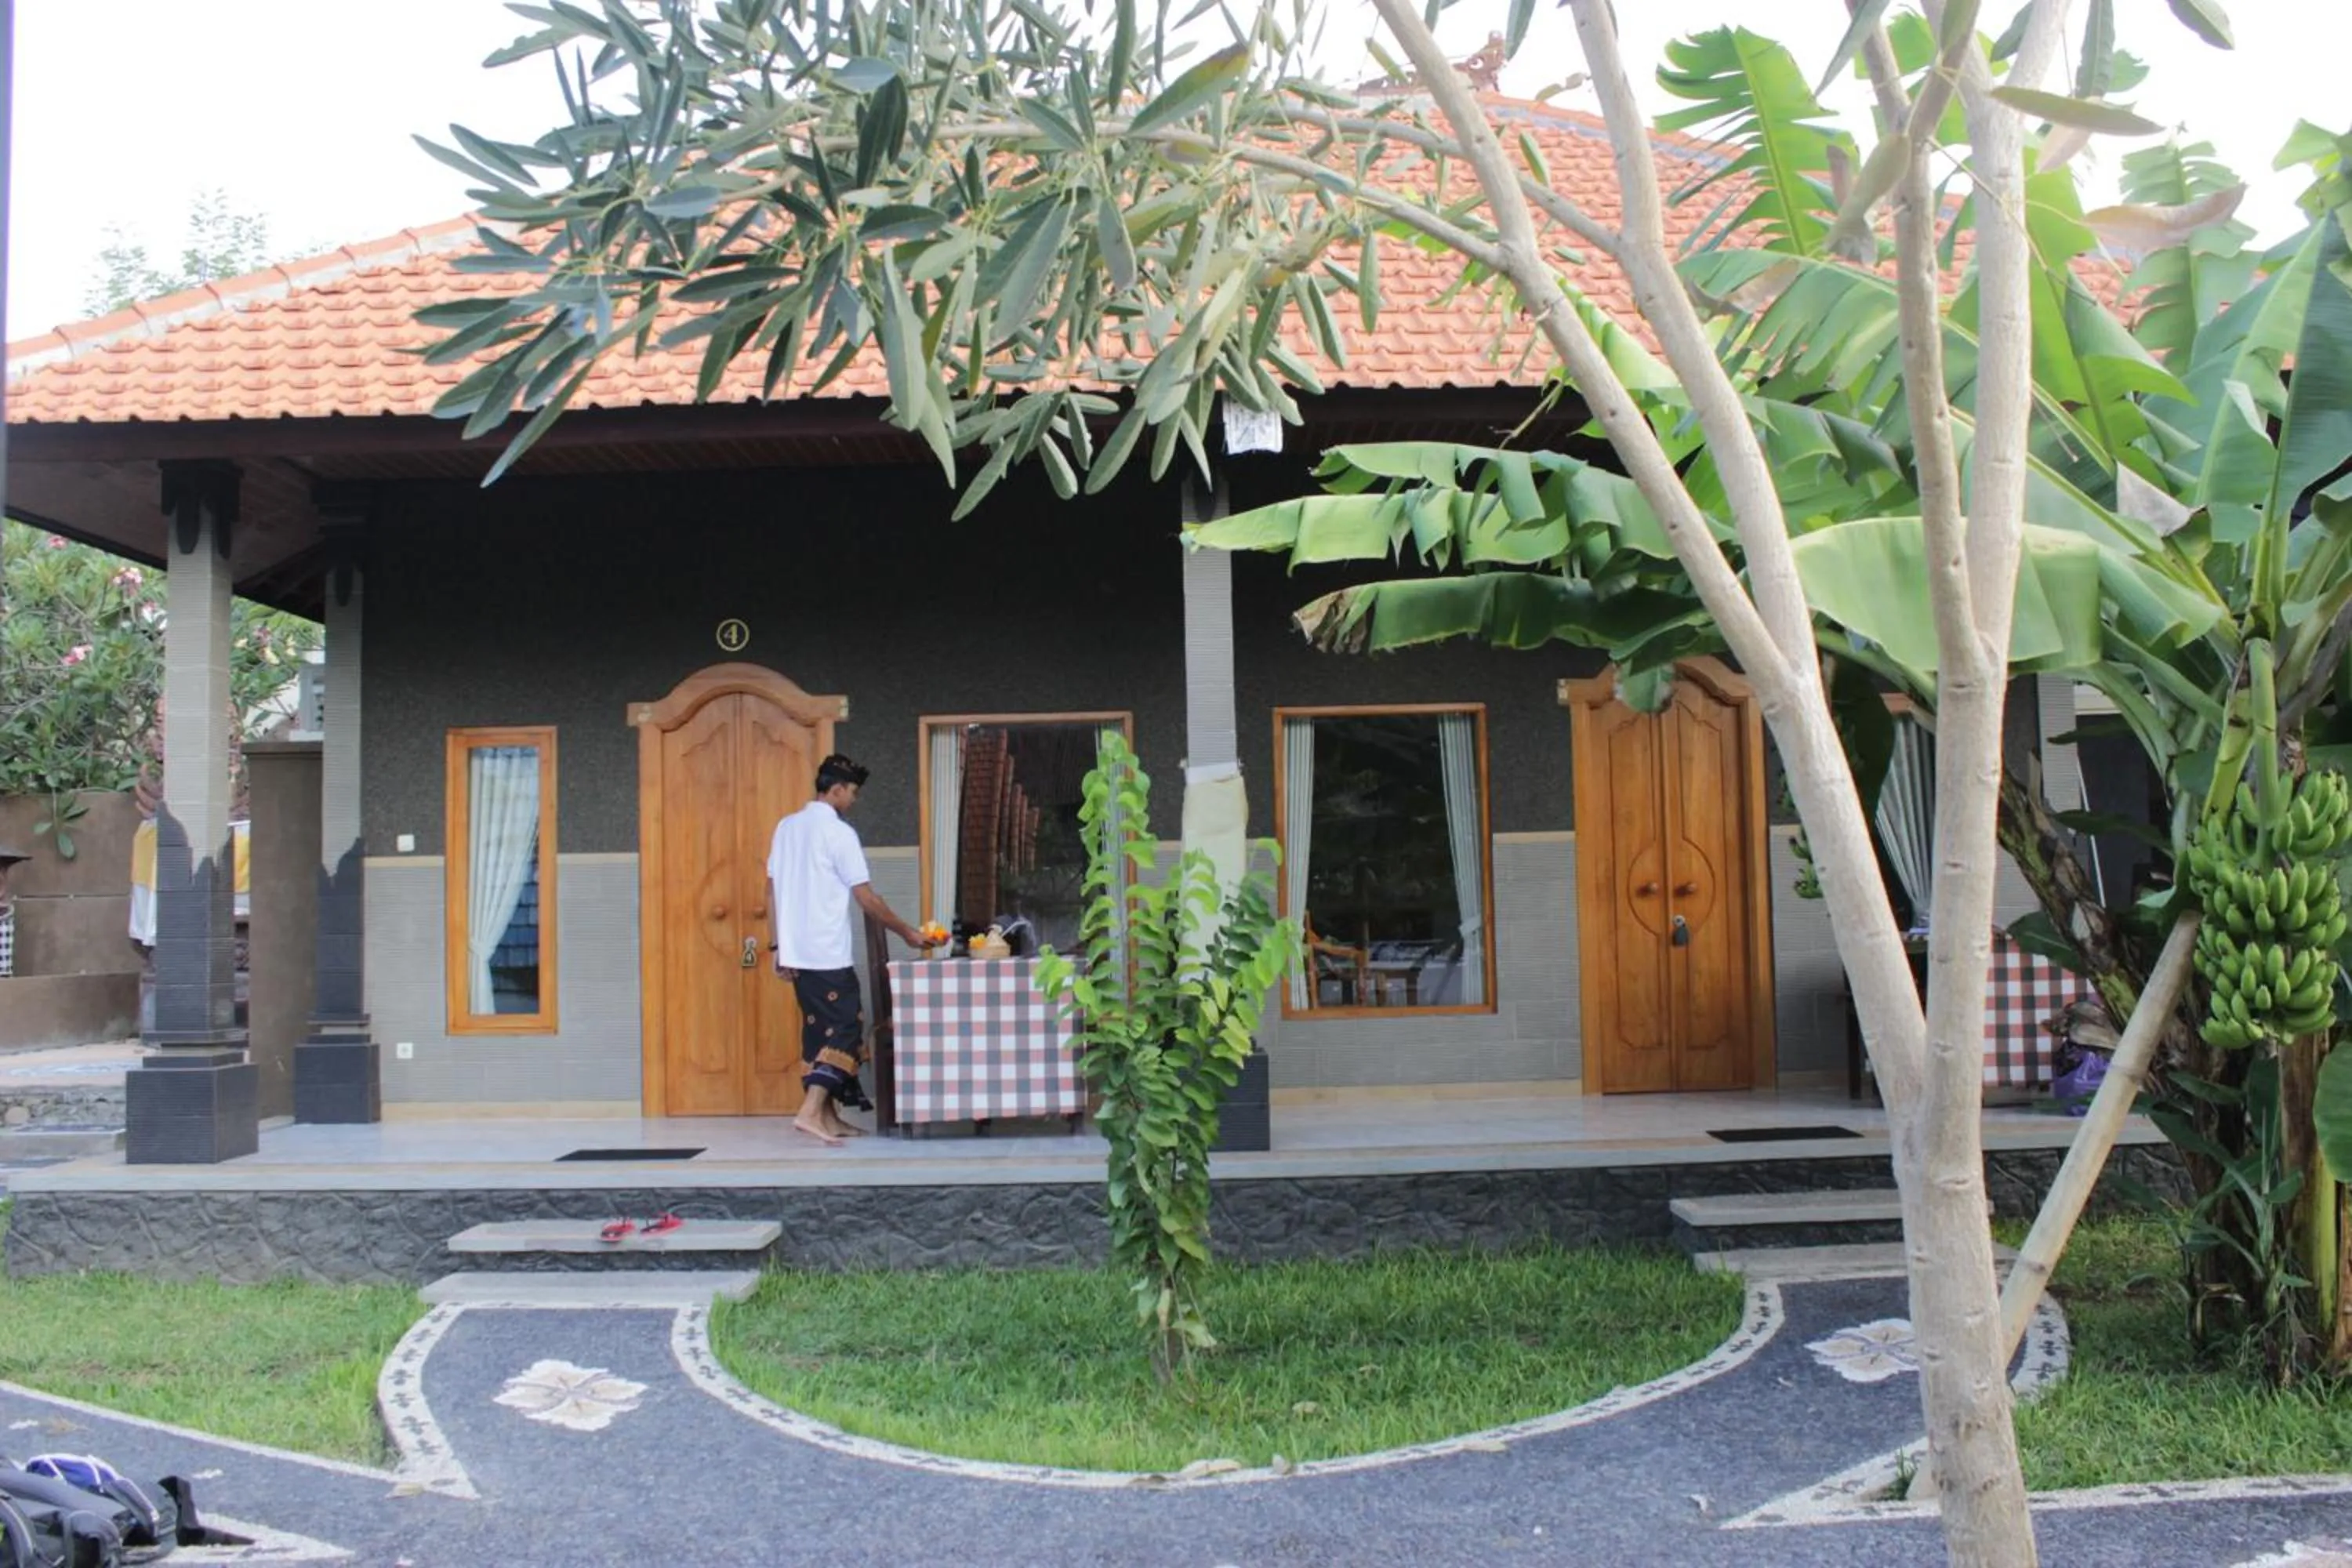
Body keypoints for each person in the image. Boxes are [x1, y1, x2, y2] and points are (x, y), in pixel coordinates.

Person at [767, 753, 931, 1145]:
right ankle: (809, 1111)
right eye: (853, 792)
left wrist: (778, 945)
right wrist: (907, 931)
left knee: (817, 1033)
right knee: (844, 1029)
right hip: (825, 952)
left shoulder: (786, 827)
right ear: (836, 789)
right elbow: (866, 897)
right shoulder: (839, 833)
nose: (854, 800)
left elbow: (769, 889)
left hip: (796, 953)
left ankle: (829, 1117)